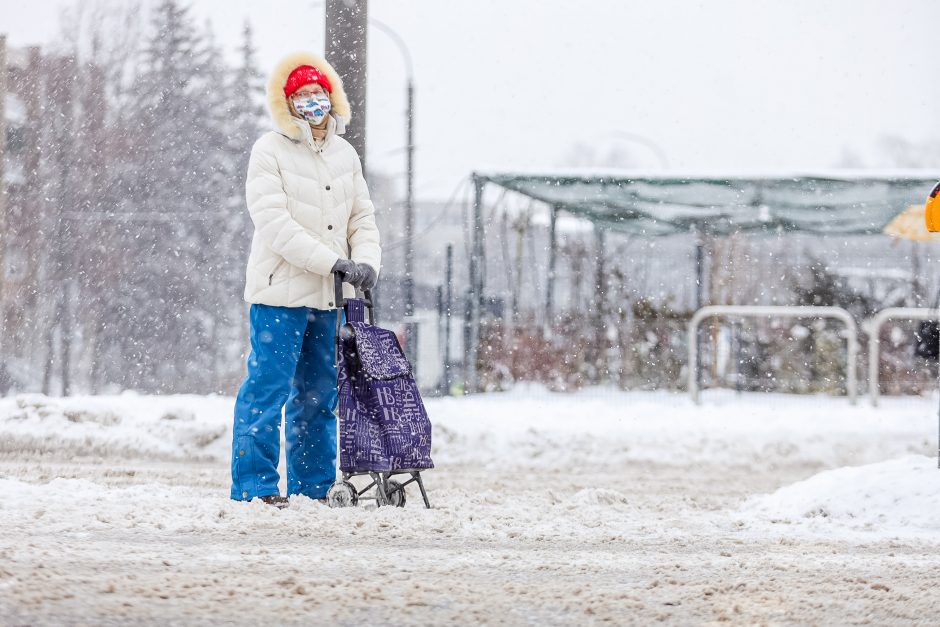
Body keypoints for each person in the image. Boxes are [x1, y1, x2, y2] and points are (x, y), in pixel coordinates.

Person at [230, 52, 381, 508]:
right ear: (287, 104)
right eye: (302, 96)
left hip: (329, 297)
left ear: (331, 98)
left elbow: (362, 217)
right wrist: (331, 262)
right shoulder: (269, 150)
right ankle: (255, 488)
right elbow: (274, 224)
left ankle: (312, 487)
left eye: (318, 94)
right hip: (280, 293)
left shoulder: (344, 154)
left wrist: (367, 261)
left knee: (318, 396)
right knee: (267, 391)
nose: (312, 103)